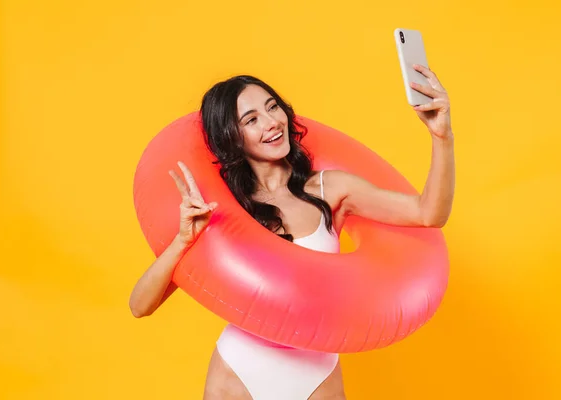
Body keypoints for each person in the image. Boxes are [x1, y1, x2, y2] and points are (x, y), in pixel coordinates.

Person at [129, 66, 455, 399]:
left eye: (272, 107)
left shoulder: (330, 189)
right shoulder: (224, 208)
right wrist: (184, 240)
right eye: (251, 119)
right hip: (239, 369)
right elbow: (140, 306)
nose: (271, 122)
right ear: (232, 137)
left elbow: (428, 213)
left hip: (316, 376)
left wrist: (442, 137)